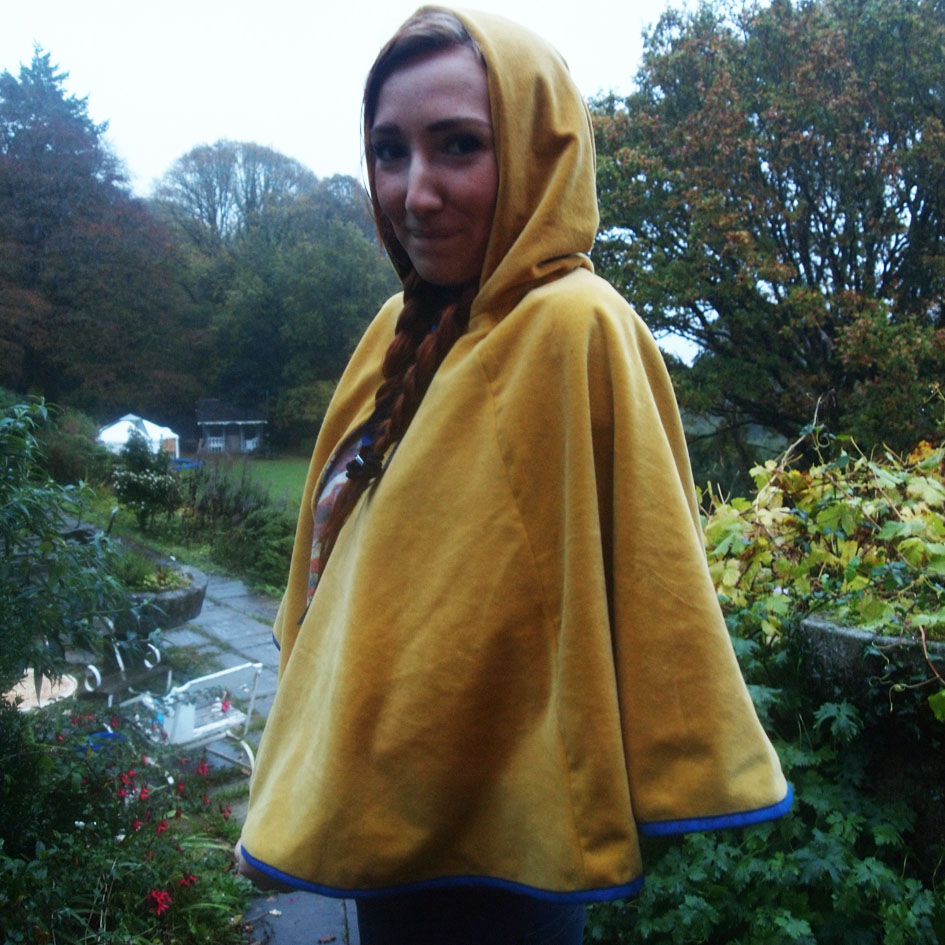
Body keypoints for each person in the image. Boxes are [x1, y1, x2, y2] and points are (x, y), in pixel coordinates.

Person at [236, 7, 792, 943]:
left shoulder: (573, 324)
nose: (415, 192)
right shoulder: (397, 330)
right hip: (379, 804)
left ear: (541, 149)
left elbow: (650, 569)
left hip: (496, 846)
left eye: (458, 145)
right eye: (389, 151)